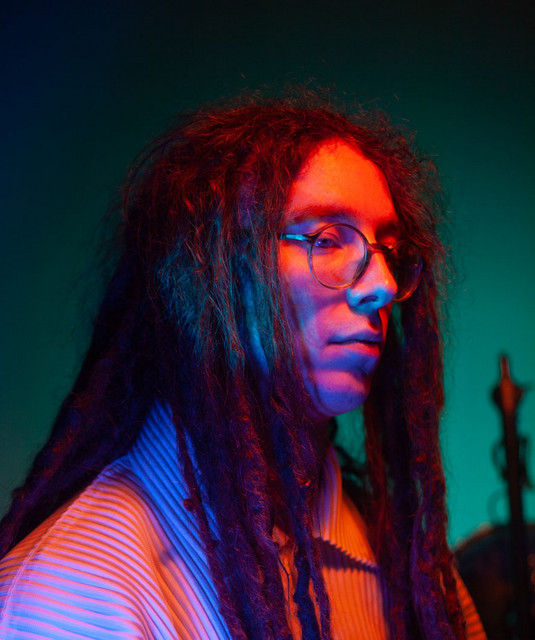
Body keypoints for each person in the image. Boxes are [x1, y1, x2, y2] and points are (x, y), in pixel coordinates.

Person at [0, 93, 486, 640]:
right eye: (327, 239)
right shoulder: (69, 598)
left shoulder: (411, 565)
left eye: (388, 251)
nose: (384, 286)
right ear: (210, 272)